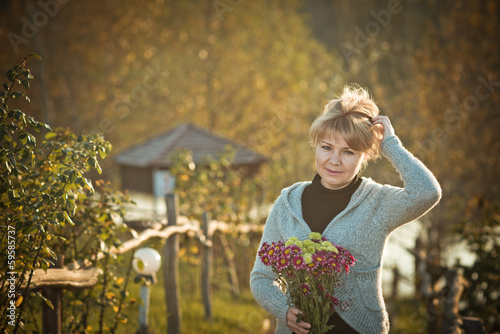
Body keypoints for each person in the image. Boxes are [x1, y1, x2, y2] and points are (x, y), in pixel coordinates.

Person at [250, 85, 442, 334]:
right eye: (326, 147)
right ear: (316, 146)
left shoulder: (378, 202)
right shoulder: (287, 203)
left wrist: (390, 144)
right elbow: (261, 278)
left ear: (365, 156)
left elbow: (428, 192)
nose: (334, 161)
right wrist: (284, 310)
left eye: (349, 152)